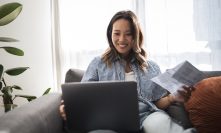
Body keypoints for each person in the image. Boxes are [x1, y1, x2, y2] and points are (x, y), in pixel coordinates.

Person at [60, 10, 196, 133]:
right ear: (110, 34)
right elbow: (84, 99)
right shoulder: (98, 64)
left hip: (147, 116)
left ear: (135, 36)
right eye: (117, 33)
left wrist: (172, 97)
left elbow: (157, 103)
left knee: (161, 123)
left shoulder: (151, 67)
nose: (122, 40)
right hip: (108, 121)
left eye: (128, 34)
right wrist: (69, 109)